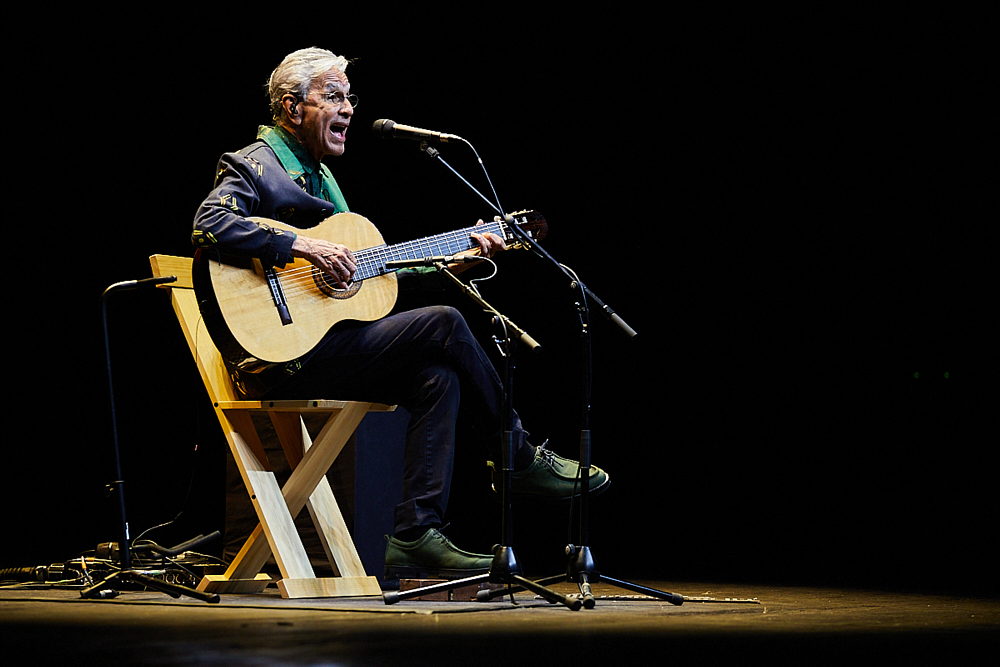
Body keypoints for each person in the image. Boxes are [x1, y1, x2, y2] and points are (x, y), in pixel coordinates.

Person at [191, 47, 608, 580]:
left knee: (436, 377)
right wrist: (303, 247)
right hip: (275, 358)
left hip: (318, 349)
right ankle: (517, 454)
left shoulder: (321, 179)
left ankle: (414, 534)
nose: (348, 110)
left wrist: (451, 257)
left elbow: (368, 273)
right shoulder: (256, 163)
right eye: (333, 97)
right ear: (293, 108)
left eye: (350, 97)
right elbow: (209, 222)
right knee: (443, 323)